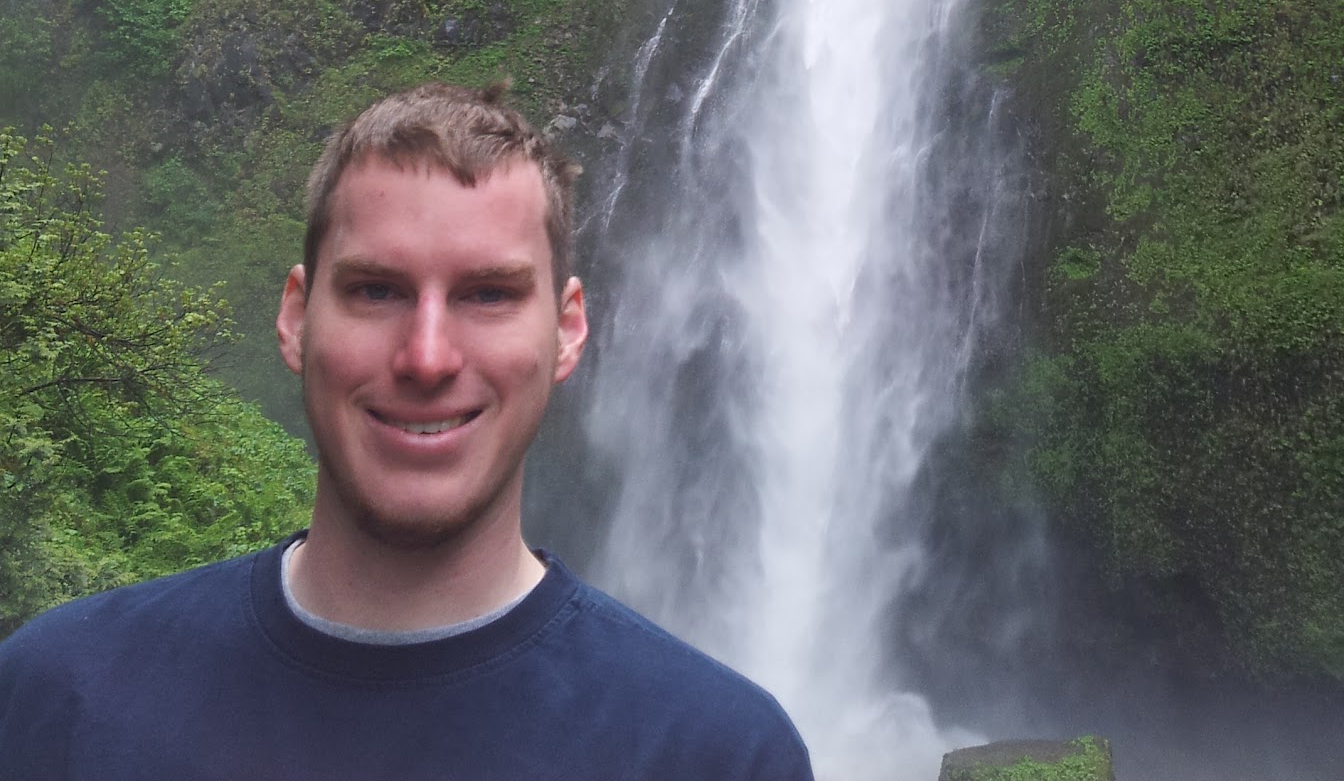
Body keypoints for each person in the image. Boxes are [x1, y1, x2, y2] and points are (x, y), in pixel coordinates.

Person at [0, 82, 814, 779]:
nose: (427, 356)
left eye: (489, 294)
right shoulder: (57, 698)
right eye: (377, 291)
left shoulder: (717, 755)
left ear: (567, 330)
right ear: (296, 317)